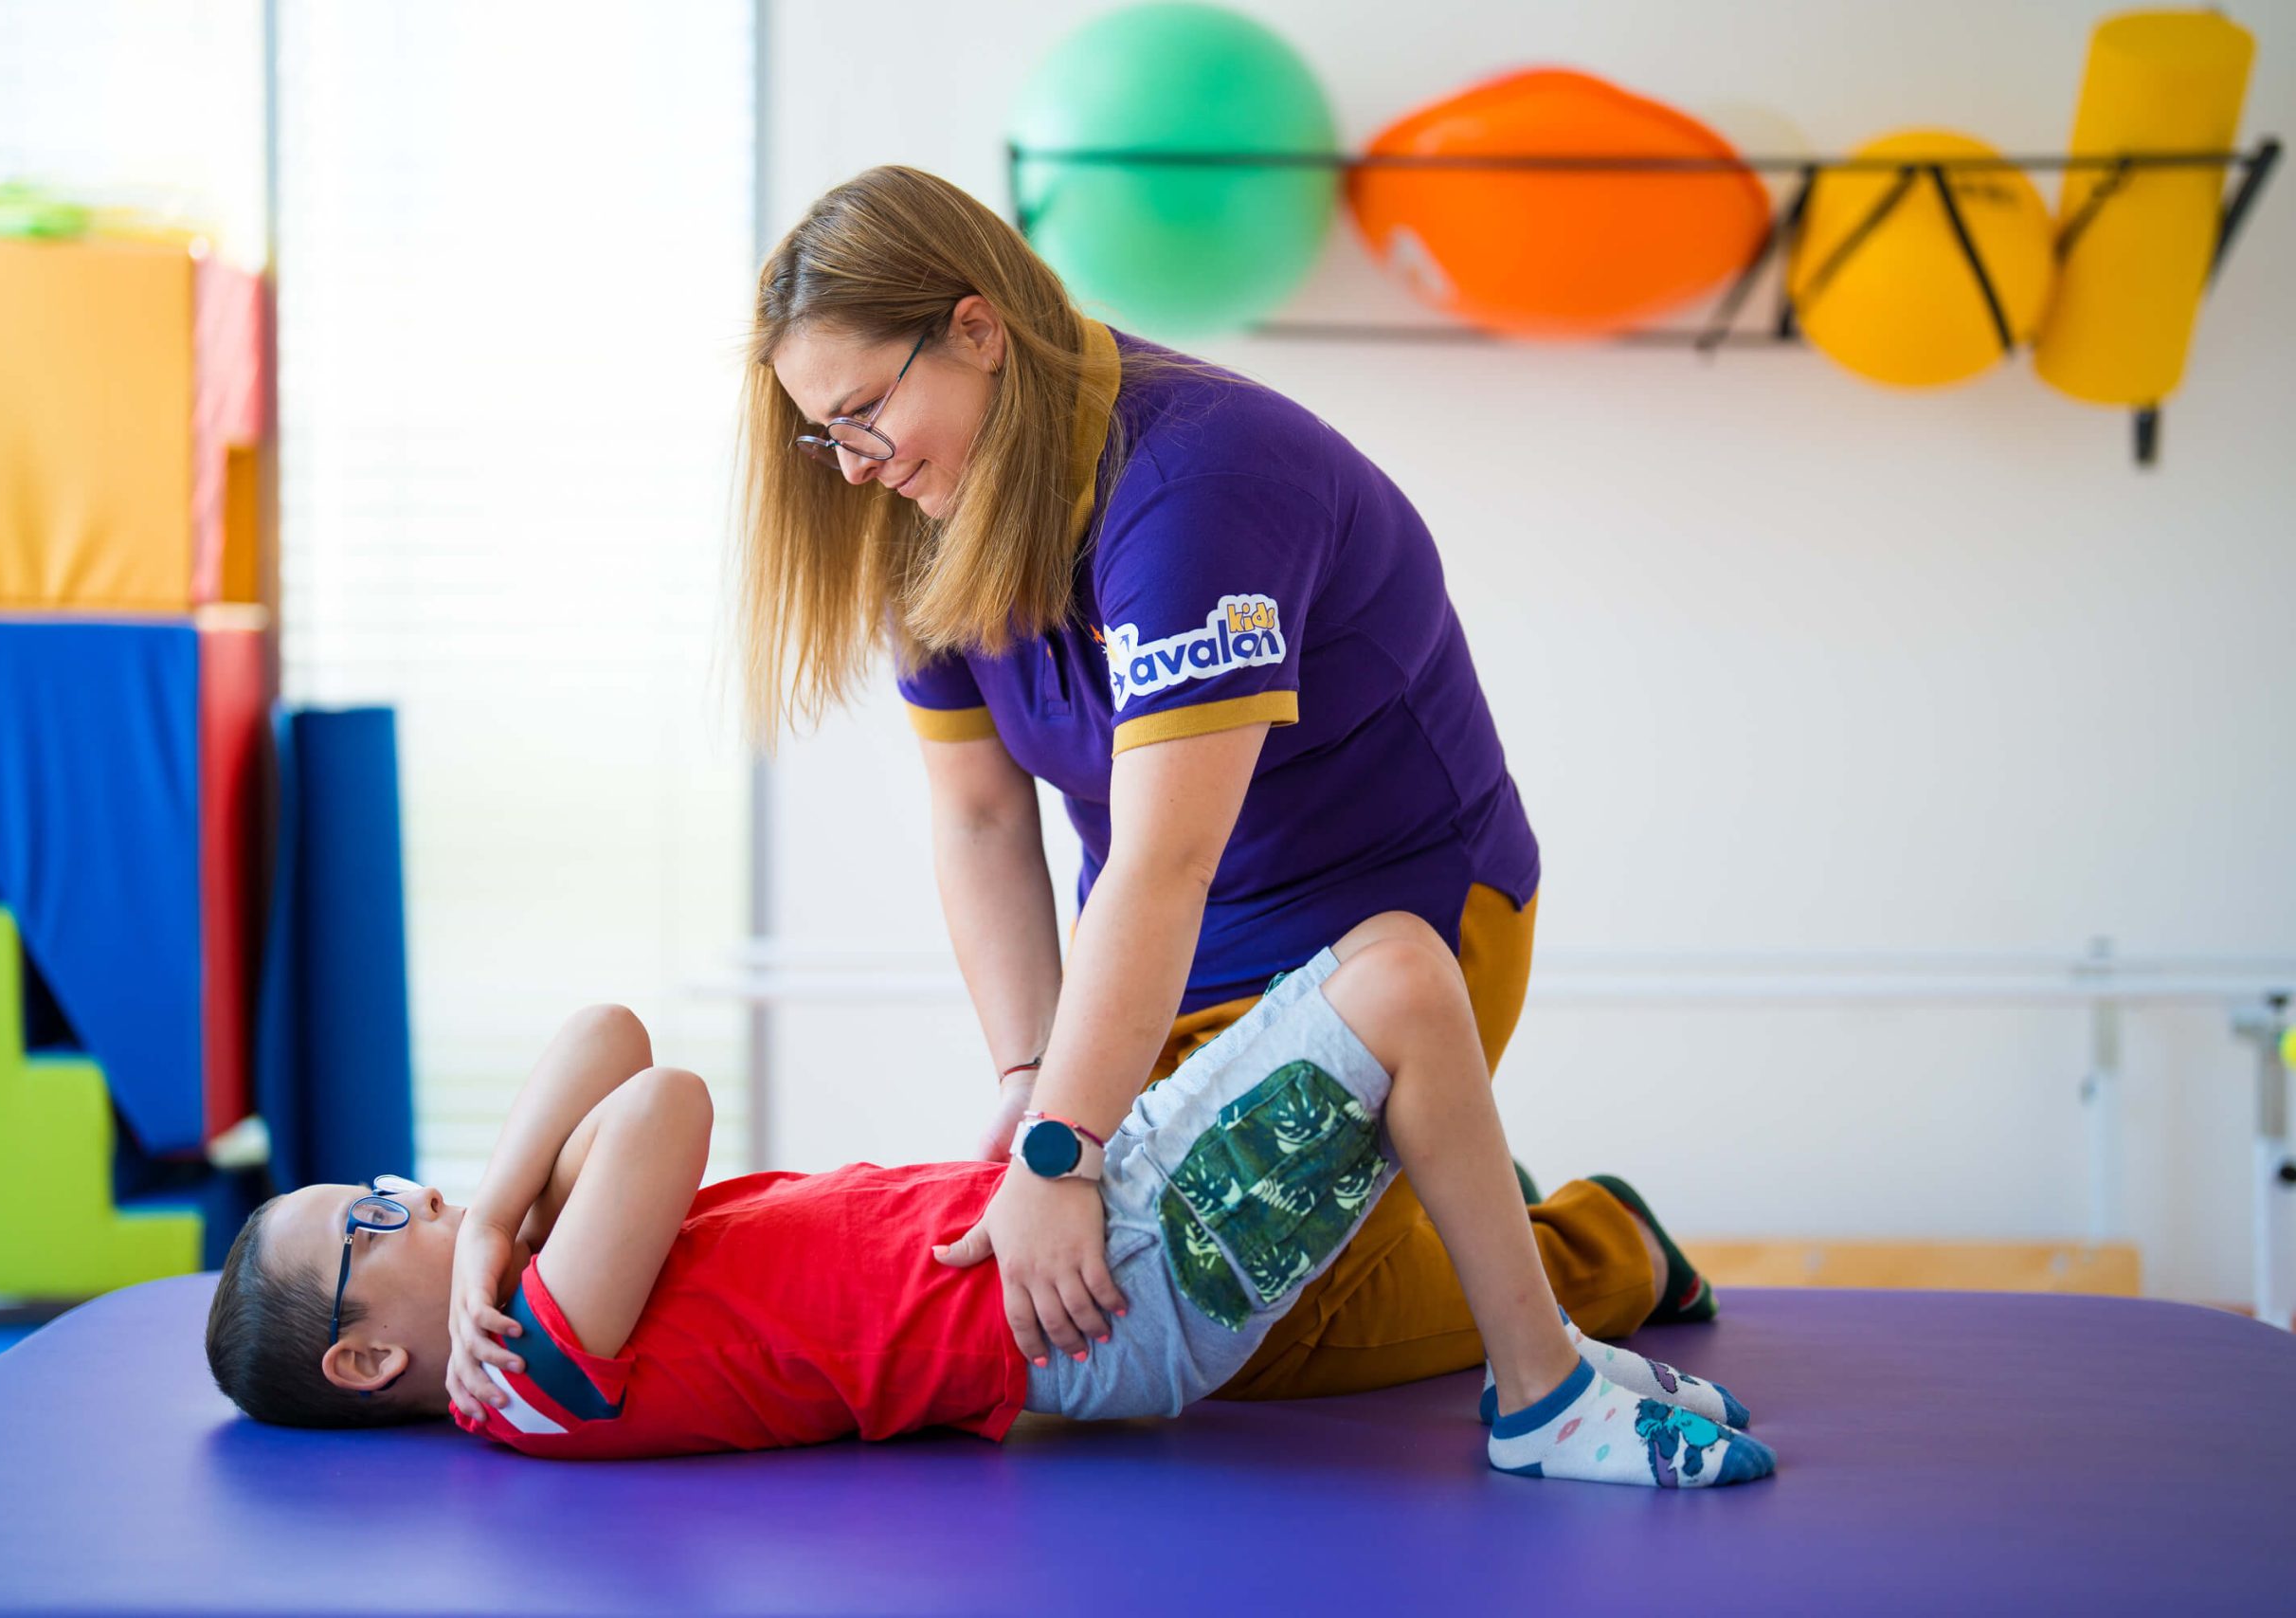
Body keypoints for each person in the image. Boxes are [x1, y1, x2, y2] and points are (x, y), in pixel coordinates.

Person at [732, 164, 1714, 1402]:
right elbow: (981, 820)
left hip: (1394, 928)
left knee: (1218, 1334)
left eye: (864, 412)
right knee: (1101, 1295)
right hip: (1168, 954)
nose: (856, 465)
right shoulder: (926, 512)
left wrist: (1060, 1151)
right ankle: (1427, 1193)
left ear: (976, 331)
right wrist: (1033, 1080)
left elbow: (1164, 860)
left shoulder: (1199, 487)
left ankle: (1598, 1247)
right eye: (828, 436)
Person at [206, 913, 1770, 1489]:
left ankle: (1552, 1320)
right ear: (364, 1360)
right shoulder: (534, 1379)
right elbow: (664, 1096)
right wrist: (508, 1233)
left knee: (1395, 985)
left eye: (389, 1186)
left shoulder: (520, 1263)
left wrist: (477, 1219)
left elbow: (610, 1027)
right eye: (373, 1222)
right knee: (1407, 978)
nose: (413, 1198)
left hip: (1083, 1232)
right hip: (1104, 1294)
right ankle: (1541, 1399)